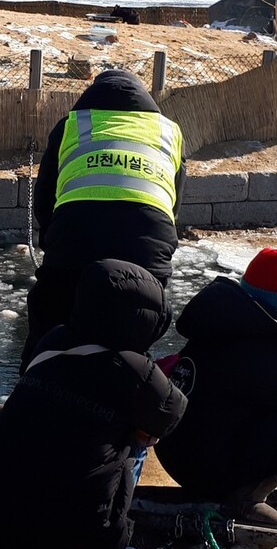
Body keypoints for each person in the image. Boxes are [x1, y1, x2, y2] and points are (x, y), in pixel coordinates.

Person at [0, 260, 188, 549]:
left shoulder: (53, 340)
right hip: (73, 545)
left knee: (36, 423)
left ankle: (3, 523)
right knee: (138, 437)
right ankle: (102, 547)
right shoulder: (139, 372)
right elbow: (170, 418)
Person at [155, 249, 277, 529]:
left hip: (170, 449)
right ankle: (245, 499)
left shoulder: (214, 319)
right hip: (203, 472)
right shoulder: (266, 352)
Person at [21, 69, 185, 369]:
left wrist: (52, 247)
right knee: (130, 336)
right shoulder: (168, 132)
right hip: (147, 255)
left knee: (50, 324)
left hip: (74, 242)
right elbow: (172, 205)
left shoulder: (72, 126)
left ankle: (35, 393)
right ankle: (129, 393)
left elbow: (44, 199)